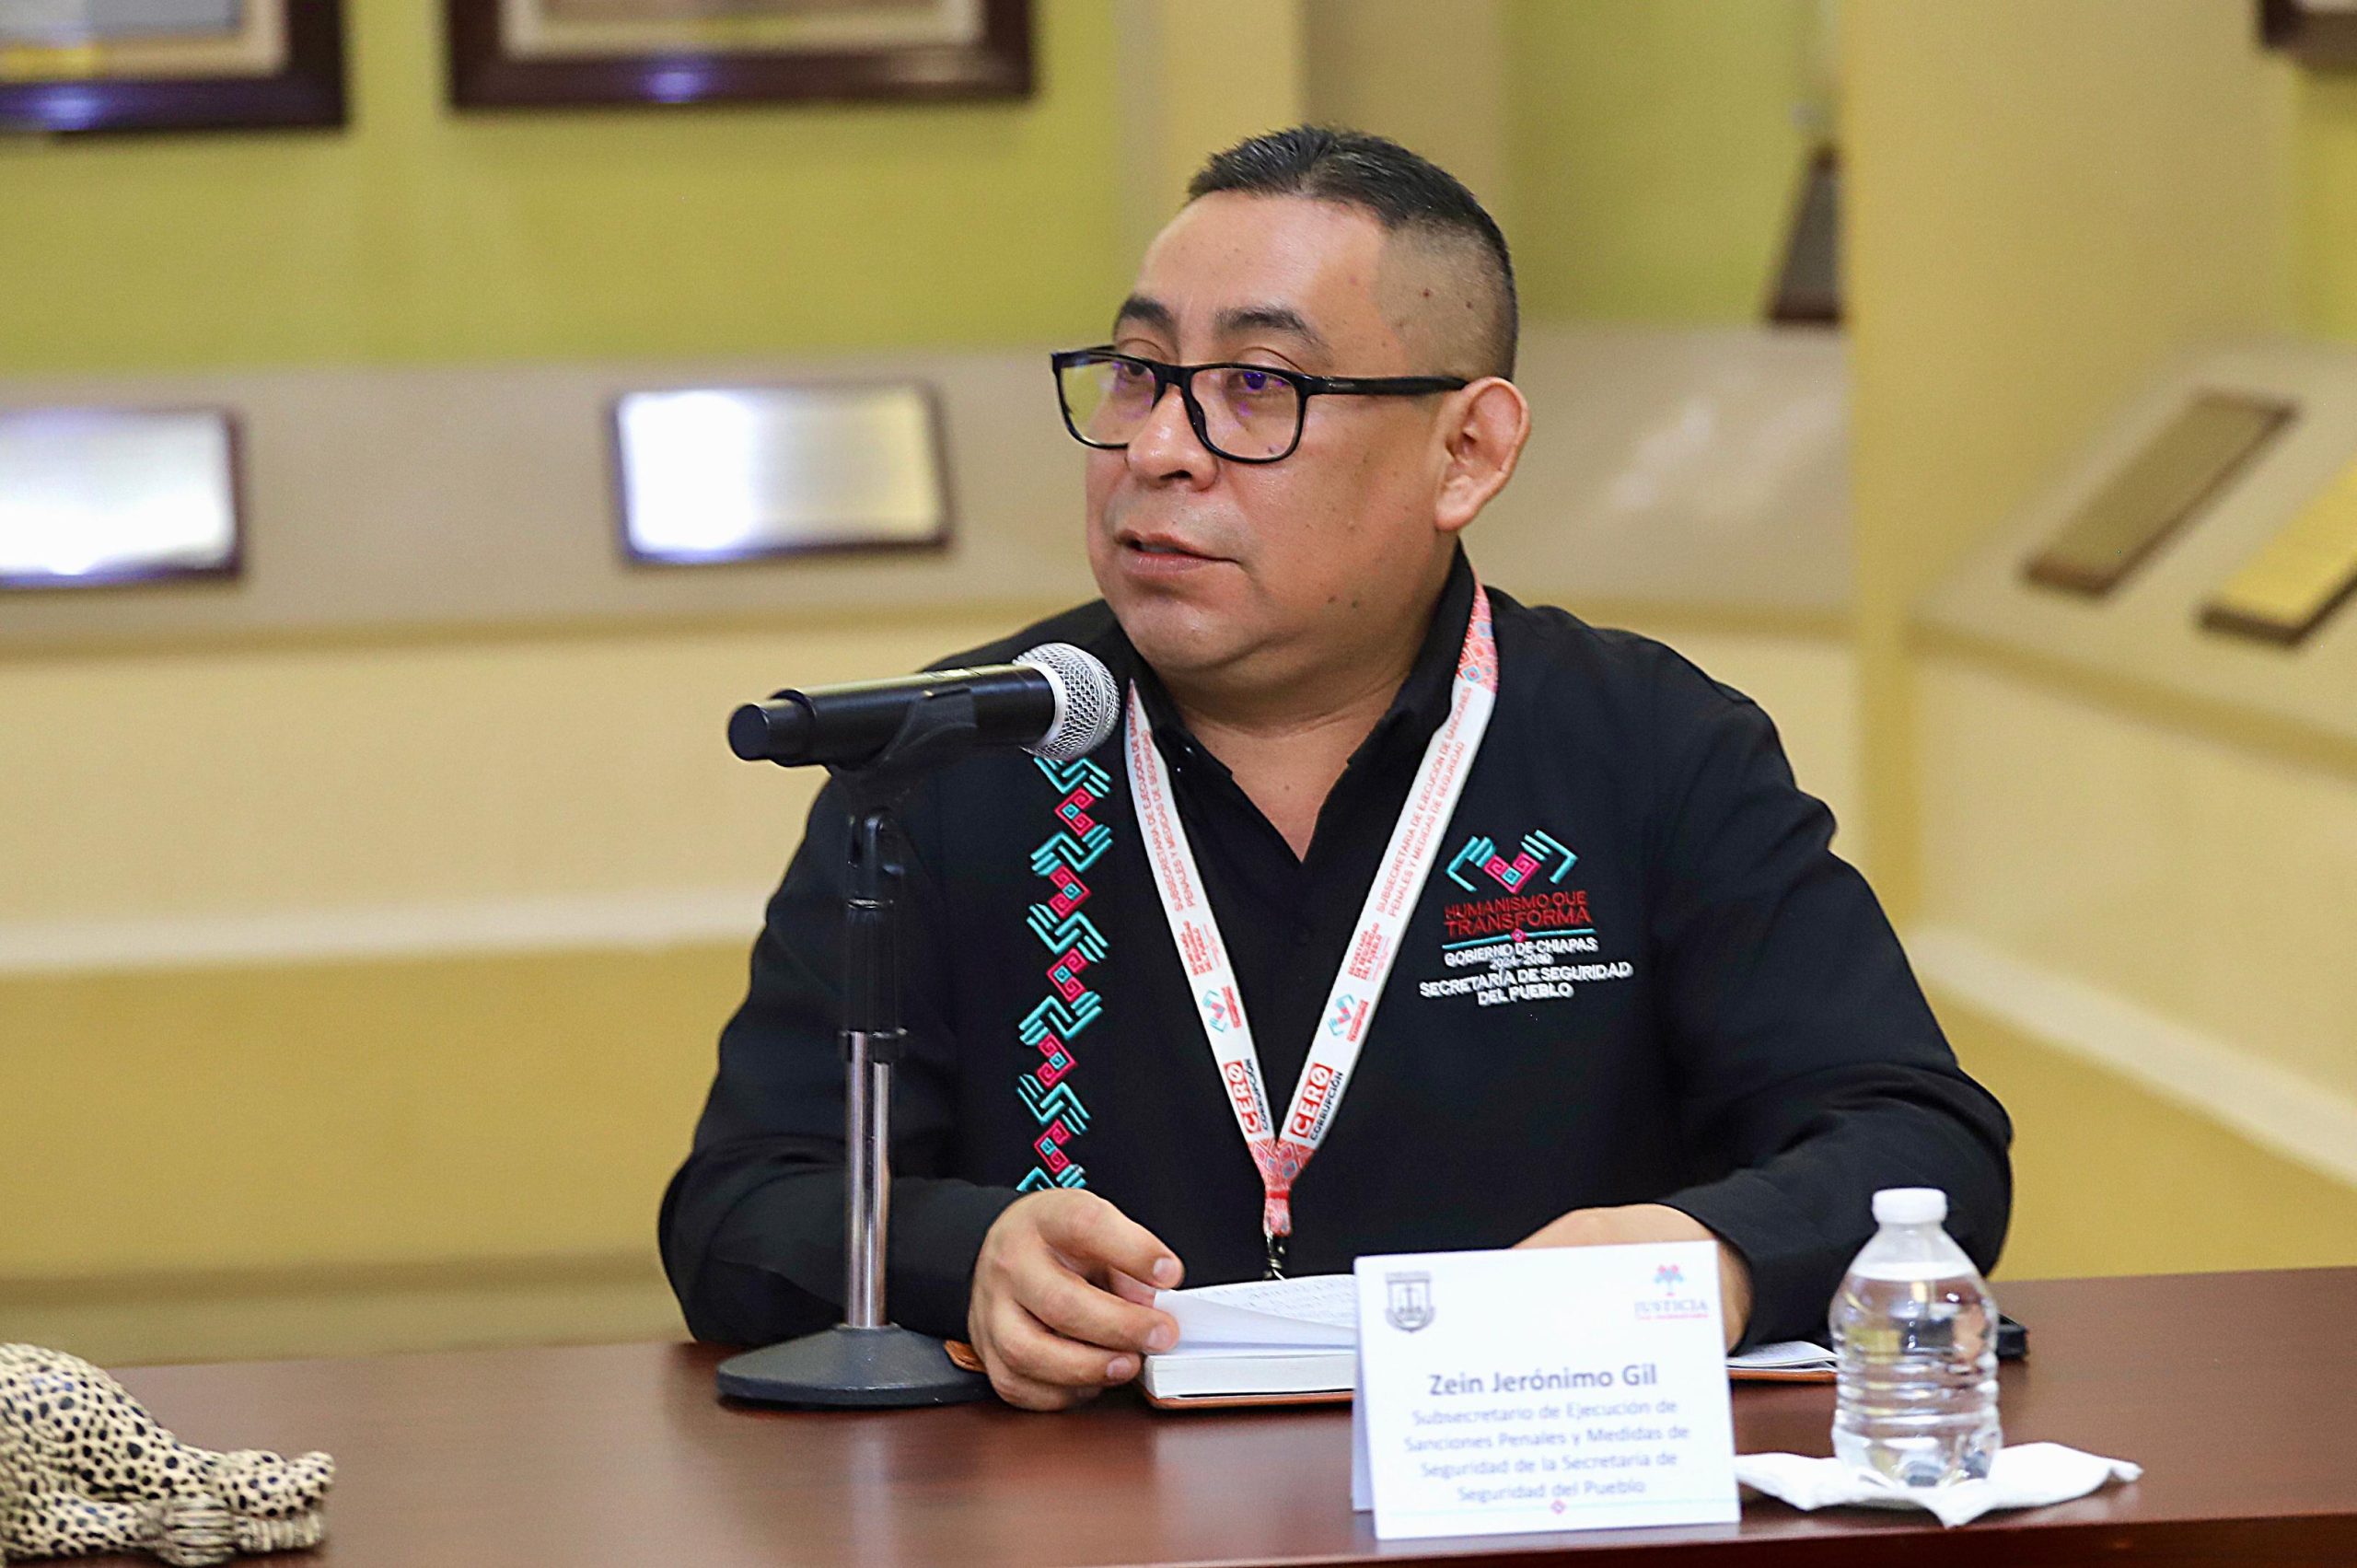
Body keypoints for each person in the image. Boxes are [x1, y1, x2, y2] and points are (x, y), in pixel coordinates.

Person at [660, 126, 2011, 1411]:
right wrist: (968, 1256)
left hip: (1530, 1498)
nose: (1158, 450)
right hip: (1090, 1508)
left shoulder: (1650, 747)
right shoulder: (954, 761)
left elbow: (1918, 1139)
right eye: (1137, 373)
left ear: (1467, 452)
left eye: (1258, 385)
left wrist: (1708, 1254)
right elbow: (739, 1204)